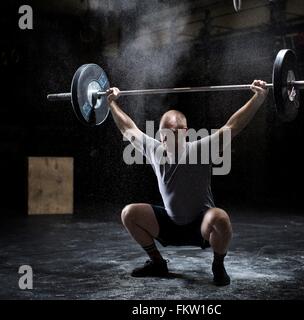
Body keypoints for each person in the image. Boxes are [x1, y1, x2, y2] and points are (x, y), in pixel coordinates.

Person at [107, 80, 269, 286]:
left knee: (221, 218)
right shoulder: (155, 151)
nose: (168, 137)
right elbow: (128, 130)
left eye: (174, 132)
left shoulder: (201, 149)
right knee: (129, 213)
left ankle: (218, 266)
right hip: (168, 224)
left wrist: (258, 98)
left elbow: (232, 126)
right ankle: (157, 263)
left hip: (201, 226)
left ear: (185, 132)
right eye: (164, 133)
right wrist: (111, 103)